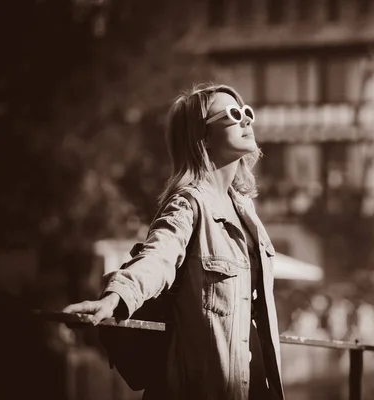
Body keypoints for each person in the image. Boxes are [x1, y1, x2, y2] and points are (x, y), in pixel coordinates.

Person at [63, 83, 285, 400]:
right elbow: (157, 259)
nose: (246, 119)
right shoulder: (188, 204)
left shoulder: (246, 212)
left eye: (247, 112)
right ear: (202, 135)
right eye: (234, 114)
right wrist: (115, 299)